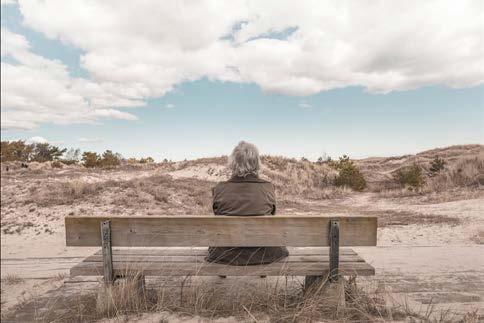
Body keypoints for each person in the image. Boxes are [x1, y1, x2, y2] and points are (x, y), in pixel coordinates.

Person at [205, 141, 289, 266]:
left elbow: (217, 214)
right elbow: (272, 215)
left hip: (226, 254)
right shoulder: (268, 188)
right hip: (264, 253)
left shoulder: (219, 189)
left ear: (233, 163)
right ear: (256, 163)